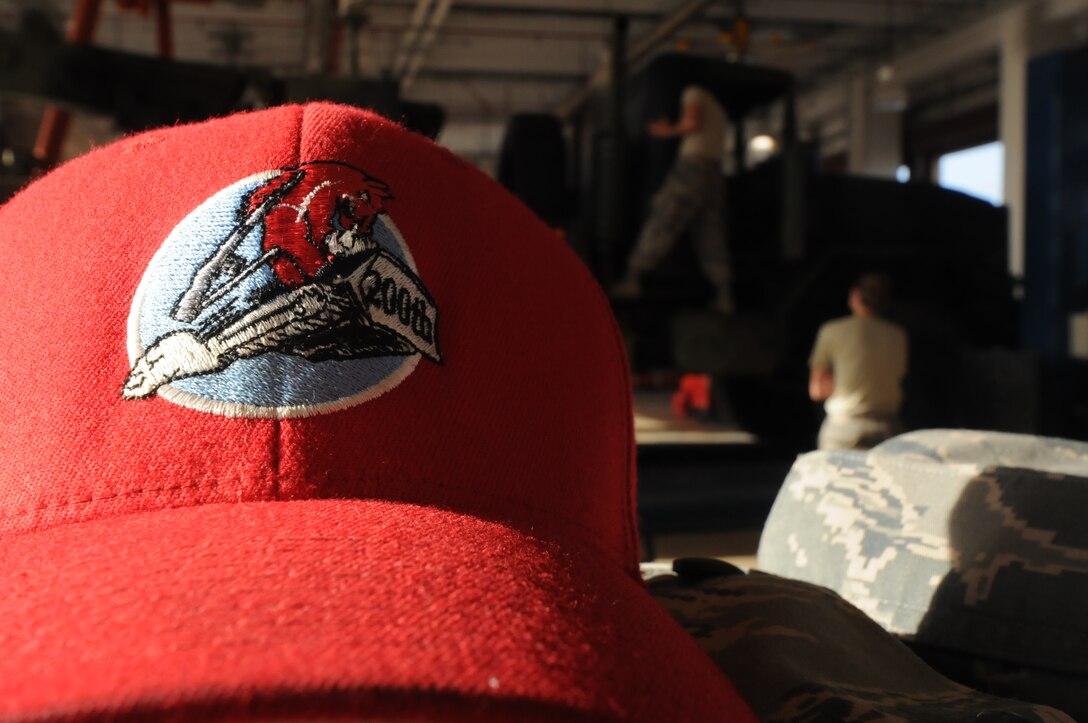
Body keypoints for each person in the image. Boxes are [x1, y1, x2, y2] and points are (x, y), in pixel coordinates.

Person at [613, 85, 734, 314]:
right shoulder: (719, 109)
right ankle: (724, 293)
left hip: (693, 166)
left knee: (665, 218)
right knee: (710, 230)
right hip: (714, 171)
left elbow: (691, 123)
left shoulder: (693, 92)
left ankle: (633, 278)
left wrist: (666, 131)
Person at [808, 272, 908, 450]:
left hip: (844, 427)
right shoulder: (898, 336)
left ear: (855, 295)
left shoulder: (831, 331)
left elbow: (816, 390)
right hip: (888, 428)